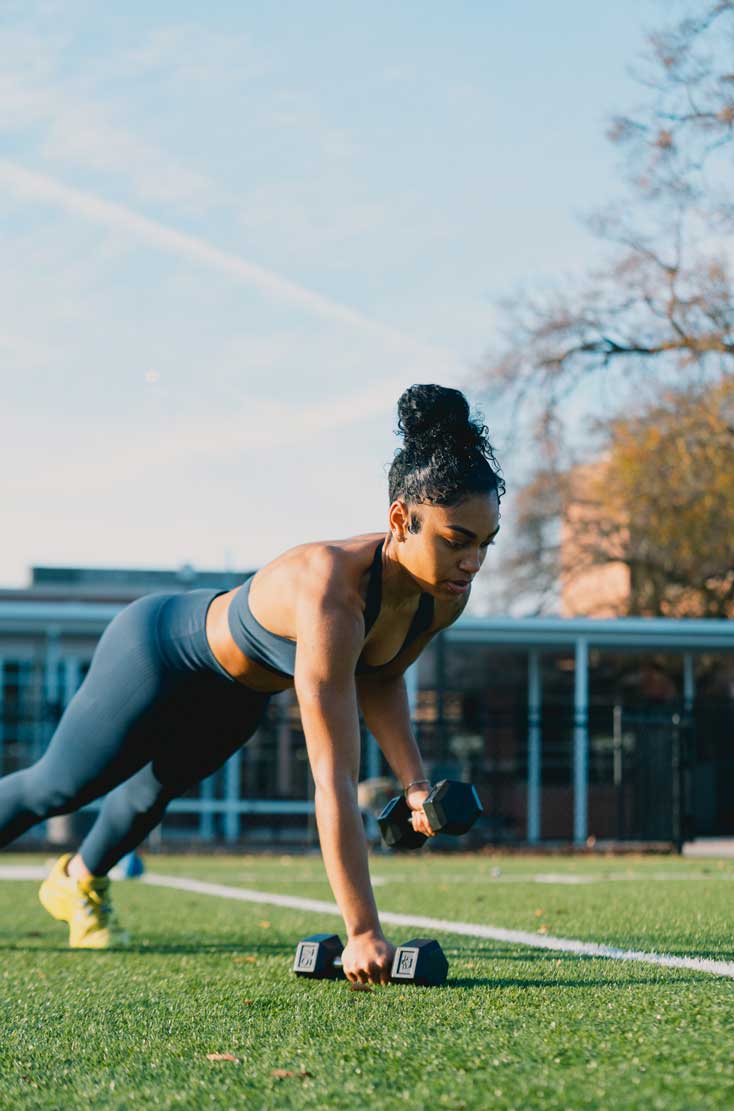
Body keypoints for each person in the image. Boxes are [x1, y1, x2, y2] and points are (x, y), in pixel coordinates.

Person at [0, 384, 504, 983]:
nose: (473, 562)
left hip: (239, 695)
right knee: (59, 788)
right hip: (159, 651)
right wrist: (363, 931)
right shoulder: (332, 594)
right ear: (401, 520)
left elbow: (383, 677)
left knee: (152, 793)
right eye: (458, 541)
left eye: (485, 543)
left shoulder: (442, 596)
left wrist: (415, 785)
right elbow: (333, 779)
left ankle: (76, 883)